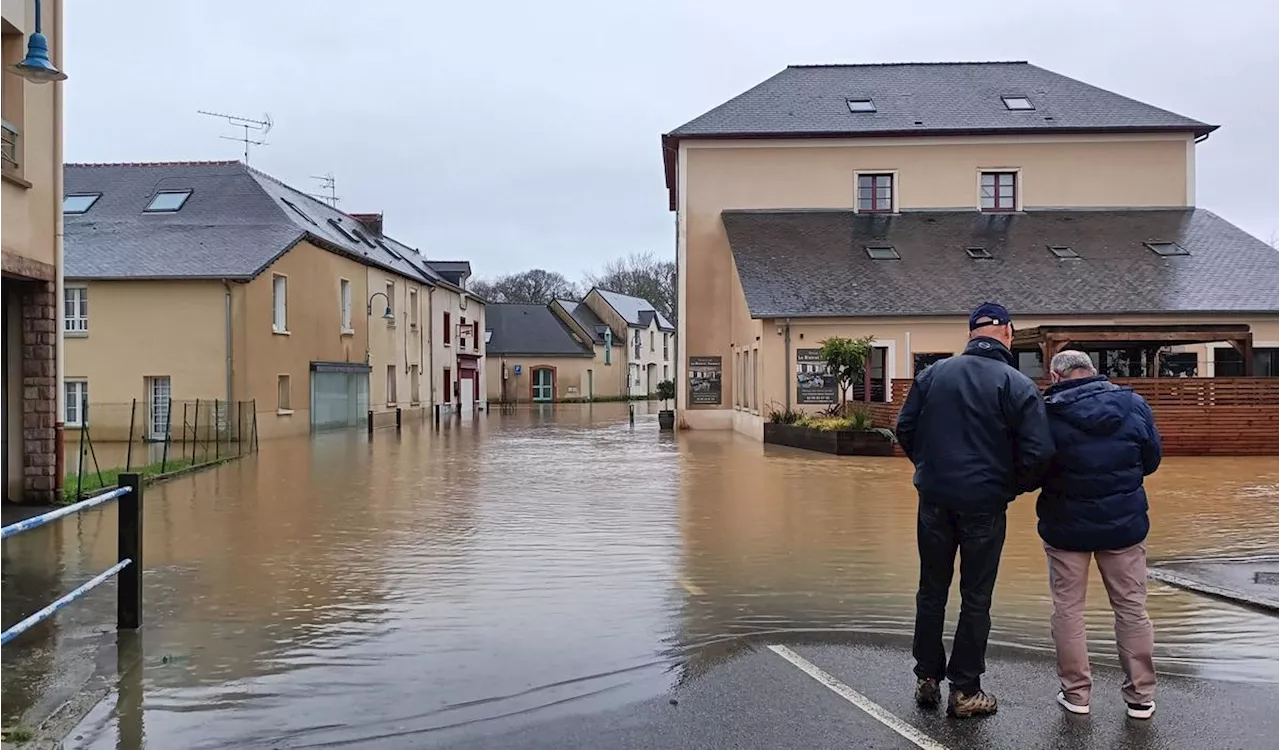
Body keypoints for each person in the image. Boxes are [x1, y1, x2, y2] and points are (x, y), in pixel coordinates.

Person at [896, 302, 1054, 718]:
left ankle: (927, 678)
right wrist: (1008, 486)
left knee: (931, 590)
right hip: (984, 505)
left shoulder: (932, 376)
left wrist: (930, 470)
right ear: (1006, 332)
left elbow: (905, 429)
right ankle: (965, 691)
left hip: (934, 499)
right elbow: (1040, 454)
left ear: (971, 335)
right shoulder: (1017, 384)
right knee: (976, 597)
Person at [1038, 350, 1161, 720]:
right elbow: (1151, 458)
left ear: (1056, 377)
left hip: (1065, 525)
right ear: (1093, 372)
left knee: (1069, 610)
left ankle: (1077, 695)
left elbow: (1032, 463)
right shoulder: (1133, 404)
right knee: (1131, 608)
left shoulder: (1047, 412)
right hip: (1123, 524)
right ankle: (1140, 696)